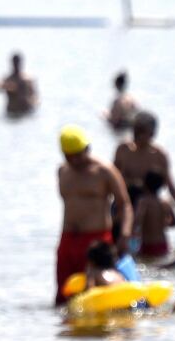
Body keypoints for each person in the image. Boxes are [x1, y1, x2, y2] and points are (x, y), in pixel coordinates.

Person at [55, 124, 133, 305]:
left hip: (96, 241)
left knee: (98, 294)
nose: (74, 160)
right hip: (67, 239)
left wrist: (125, 235)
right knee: (63, 295)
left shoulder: (104, 170)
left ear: (87, 149)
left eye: (78, 155)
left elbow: (125, 205)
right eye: (69, 156)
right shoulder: (62, 171)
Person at [83, 240, 175, 314]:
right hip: (137, 299)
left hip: (124, 305)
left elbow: (89, 291)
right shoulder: (117, 273)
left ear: (91, 261)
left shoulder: (93, 271)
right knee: (164, 314)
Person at [113, 111, 175, 219]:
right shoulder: (123, 150)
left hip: (147, 208)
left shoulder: (159, 156)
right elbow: (111, 179)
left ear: (153, 133)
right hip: (124, 204)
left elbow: (171, 187)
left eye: (142, 131)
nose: (137, 135)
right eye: (136, 130)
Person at [134, 171, 175, 258]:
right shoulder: (165, 202)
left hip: (147, 244)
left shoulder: (143, 202)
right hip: (163, 244)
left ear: (145, 184)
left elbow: (137, 221)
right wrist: (163, 223)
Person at [0, 52, 37, 117]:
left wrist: (33, 102)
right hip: (12, 111)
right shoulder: (8, 79)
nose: (16, 65)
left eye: (17, 63)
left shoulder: (27, 79)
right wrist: (9, 87)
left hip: (25, 111)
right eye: (15, 63)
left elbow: (35, 96)